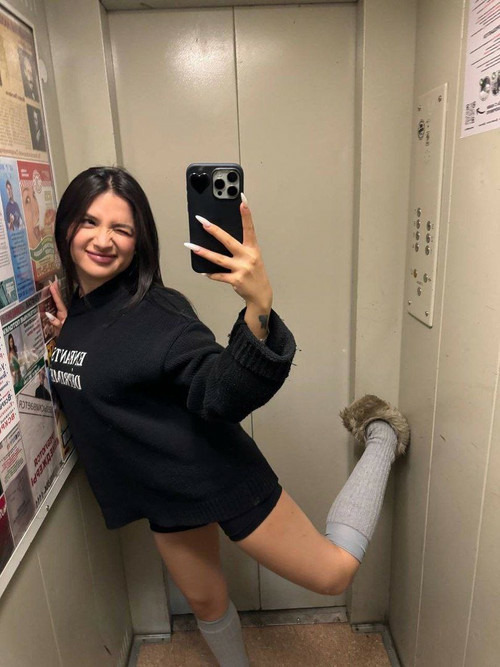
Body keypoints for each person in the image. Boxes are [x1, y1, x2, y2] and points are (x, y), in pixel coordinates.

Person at [47, 166, 409, 667]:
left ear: (139, 240)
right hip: (165, 492)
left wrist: (258, 306)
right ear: (66, 224)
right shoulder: (81, 313)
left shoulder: (159, 314)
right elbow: (105, 365)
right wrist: (75, 333)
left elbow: (218, 391)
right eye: (89, 221)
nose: (103, 239)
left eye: (121, 228)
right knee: (206, 601)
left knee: (334, 573)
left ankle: (382, 433)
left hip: (215, 472)